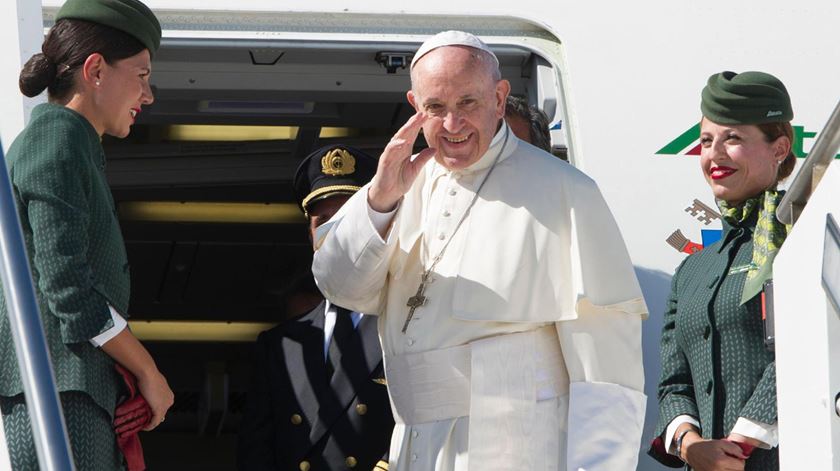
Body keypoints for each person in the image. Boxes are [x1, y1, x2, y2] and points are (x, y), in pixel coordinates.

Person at [312, 31, 647, 471]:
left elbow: (607, 367)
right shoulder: (401, 185)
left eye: (468, 103)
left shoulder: (566, 191)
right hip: (417, 441)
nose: (452, 125)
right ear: (415, 106)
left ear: (499, 96)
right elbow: (340, 288)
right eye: (436, 108)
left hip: (520, 445)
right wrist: (380, 201)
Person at [0, 0, 173, 469]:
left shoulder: (70, 141)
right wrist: (148, 371)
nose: (149, 94)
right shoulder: (57, 139)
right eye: (140, 75)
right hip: (61, 388)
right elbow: (68, 288)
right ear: (95, 70)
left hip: (72, 387)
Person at [648, 71, 795, 471]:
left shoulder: (802, 239)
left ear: (779, 147)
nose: (714, 155)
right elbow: (673, 382)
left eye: (732, 138)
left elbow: (809, 345)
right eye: (707, 141)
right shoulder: (693, 268)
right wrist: (690, 444)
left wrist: (743, 442)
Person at [238, 145, 394, 471]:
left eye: (345, 218)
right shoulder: (281, 345)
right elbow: (257, 452)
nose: (333, 230)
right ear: (309, 233)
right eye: (322, 220)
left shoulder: (408, 322)